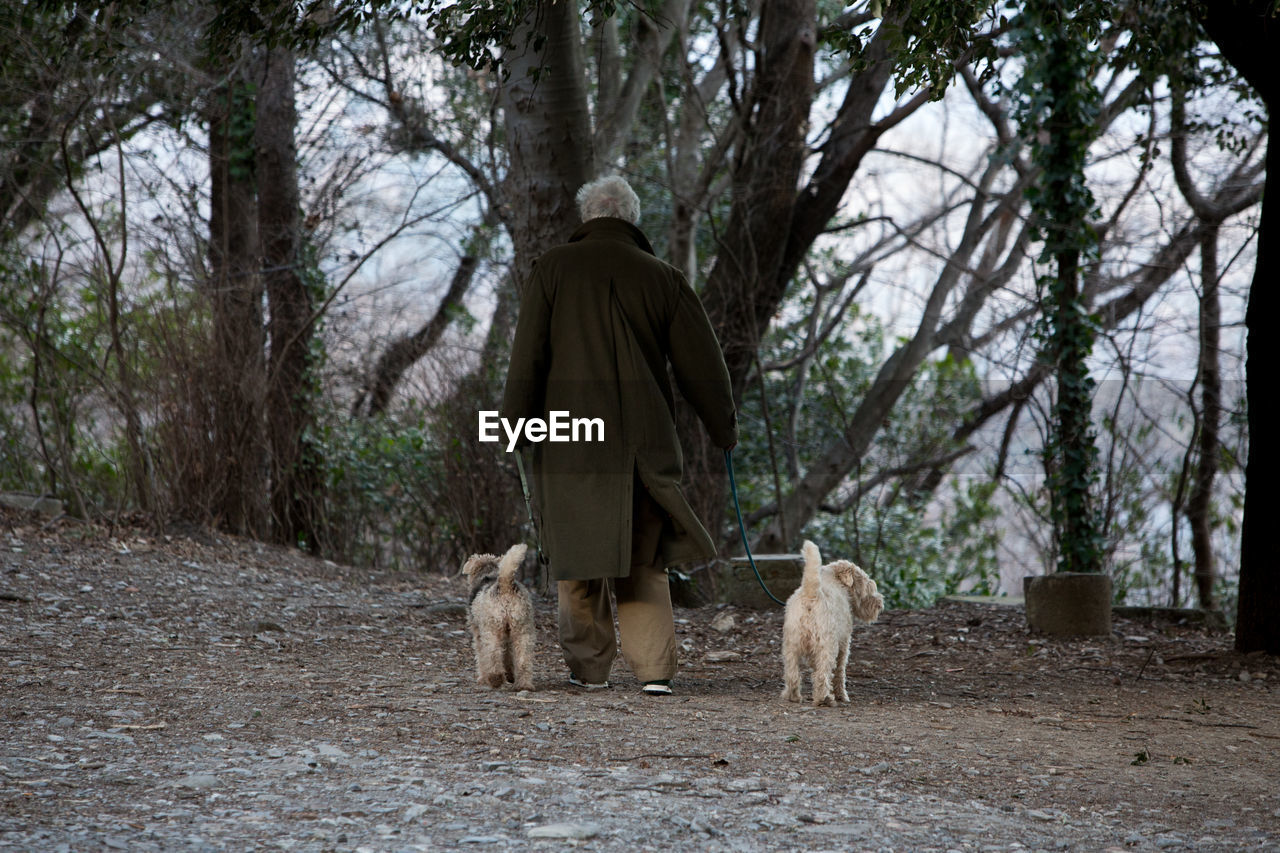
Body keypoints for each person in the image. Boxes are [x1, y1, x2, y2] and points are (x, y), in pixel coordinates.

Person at [501, 175, 737, 695]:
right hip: (642, 441)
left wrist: (513, 428)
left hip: (567, 436)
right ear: (631, 219)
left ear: (588, 218)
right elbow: (704, 367)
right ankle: (654, 673)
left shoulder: (553, 269)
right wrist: (724, 428)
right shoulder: (663, 277)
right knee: (643, 559)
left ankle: (588, 671)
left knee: (577, 558)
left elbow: (528, 359)